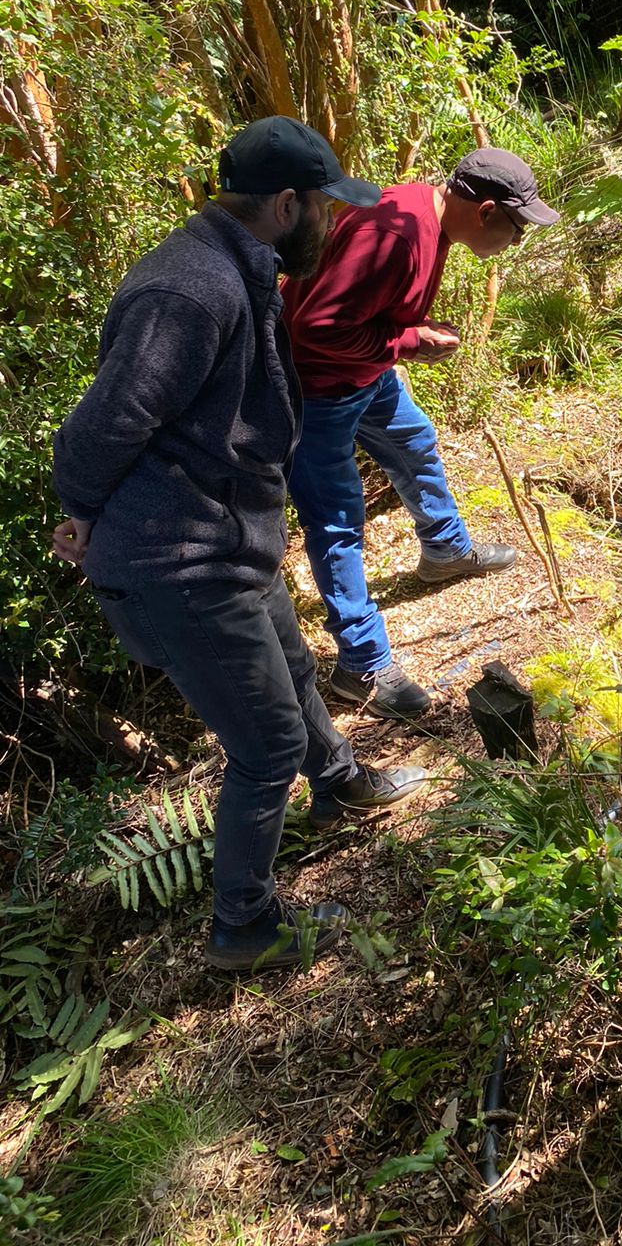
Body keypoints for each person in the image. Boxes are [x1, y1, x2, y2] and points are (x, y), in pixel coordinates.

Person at [52, 116, 426, 974]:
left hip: (227, 540)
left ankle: (341, 786)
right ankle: (244, 926)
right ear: (286, 203)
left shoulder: (238, 267)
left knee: (294, 670)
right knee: (265, 749)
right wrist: (82, 512)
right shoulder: (189, 291)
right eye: (326, 209)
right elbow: (102, 428)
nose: (336, 225)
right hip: (178, 564)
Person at [283, 148, 560, 720]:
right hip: (317, 389)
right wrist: (411, 344)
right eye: (514, 230)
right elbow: (312, 326)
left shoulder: (426, 213)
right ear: (485, 212)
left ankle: (445, 550)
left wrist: (409, 332)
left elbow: (363, 307)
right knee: (336, 520)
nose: (513, 244)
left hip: (367, 373)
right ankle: (361, 666)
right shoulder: (397, 234)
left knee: (414, 443)